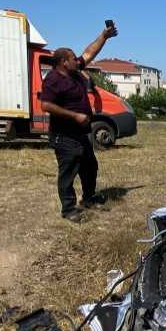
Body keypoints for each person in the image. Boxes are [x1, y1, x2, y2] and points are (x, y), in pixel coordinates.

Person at [40, 23, 118, 222]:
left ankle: (89, 198)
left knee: (90, 166)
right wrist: (74, 116)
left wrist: (104, 36)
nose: (78, 60)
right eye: (73, 58)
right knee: (68, 171)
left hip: (80, 133)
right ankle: (68, 209)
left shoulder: (74, 73)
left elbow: (89, 53)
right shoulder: (53, 80)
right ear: (64, 63)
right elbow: (46, 105)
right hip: (63, 135)